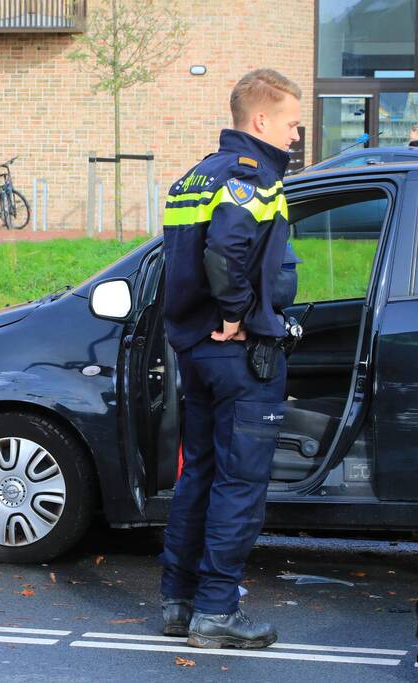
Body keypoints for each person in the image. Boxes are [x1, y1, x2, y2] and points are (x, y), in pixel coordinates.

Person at [158, 68, 302, 650]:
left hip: (194, 352)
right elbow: (227, 249)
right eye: (292, 123)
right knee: (239, 485)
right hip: (237, 353)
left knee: (200, 476)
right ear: (261, 120)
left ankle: (180, 601)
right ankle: (217, 612)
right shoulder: (254, 177)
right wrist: (238, 314)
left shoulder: (194, 177)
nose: (295, 136)